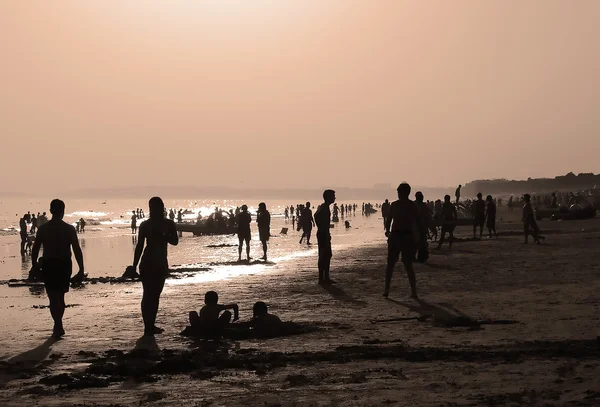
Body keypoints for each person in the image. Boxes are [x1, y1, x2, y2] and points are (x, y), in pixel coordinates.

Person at [31, 199, 85, 337]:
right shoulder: (69, 229)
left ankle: (58, 323)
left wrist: (35, 266)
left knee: (52, 297)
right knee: (60, 296)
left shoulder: (43, 229)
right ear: (63, 211)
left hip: (49, 264)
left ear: (50, 211)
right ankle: (58, 323)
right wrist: (81, 268)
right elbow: (77, 250)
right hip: (64, 264)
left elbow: (35, 249)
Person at [130, 197, 179, 336]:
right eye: (152, 207)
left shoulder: (169, 224)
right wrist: (134, 265)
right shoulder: (145, 225)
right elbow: (139, 246)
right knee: (148, 295)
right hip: (149, 261)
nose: (154, 210)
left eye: (156, 207)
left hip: (160, 262)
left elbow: (175, 241)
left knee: (154, 295)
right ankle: (148, 326)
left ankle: (150, 325)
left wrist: (164, 236)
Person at [383, 183, 425, 298]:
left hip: (399, 235)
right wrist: (421, 237)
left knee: (392, 264)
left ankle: (387, 290)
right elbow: (419, 222)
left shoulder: (396, 205)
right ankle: (413, 292)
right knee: (407, 265)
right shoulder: (411, 205)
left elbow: (388, 220)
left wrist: (387, 230)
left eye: (398, 191)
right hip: (405, 236)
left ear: (401, 192)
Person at [314, 190, 336, 284]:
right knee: (324, 255)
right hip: (323, 234)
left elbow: (316, 215)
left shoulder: (324, 207)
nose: (334, 198)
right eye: (333, 196)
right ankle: (322, 278)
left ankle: (325, 277)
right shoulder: (324, 208)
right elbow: (316, 216)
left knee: (326, 255)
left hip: (323, 233)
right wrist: (322, 229)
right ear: (328, 197)